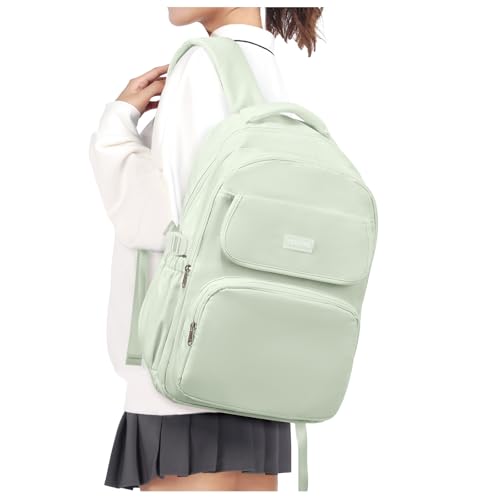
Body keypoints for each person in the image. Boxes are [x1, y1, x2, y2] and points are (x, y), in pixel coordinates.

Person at [89, 6, 323, 492]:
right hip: (257, 368)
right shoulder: (264, 67)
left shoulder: (203, 64)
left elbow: (165, 221)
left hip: (187, 369)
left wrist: (117, 127)